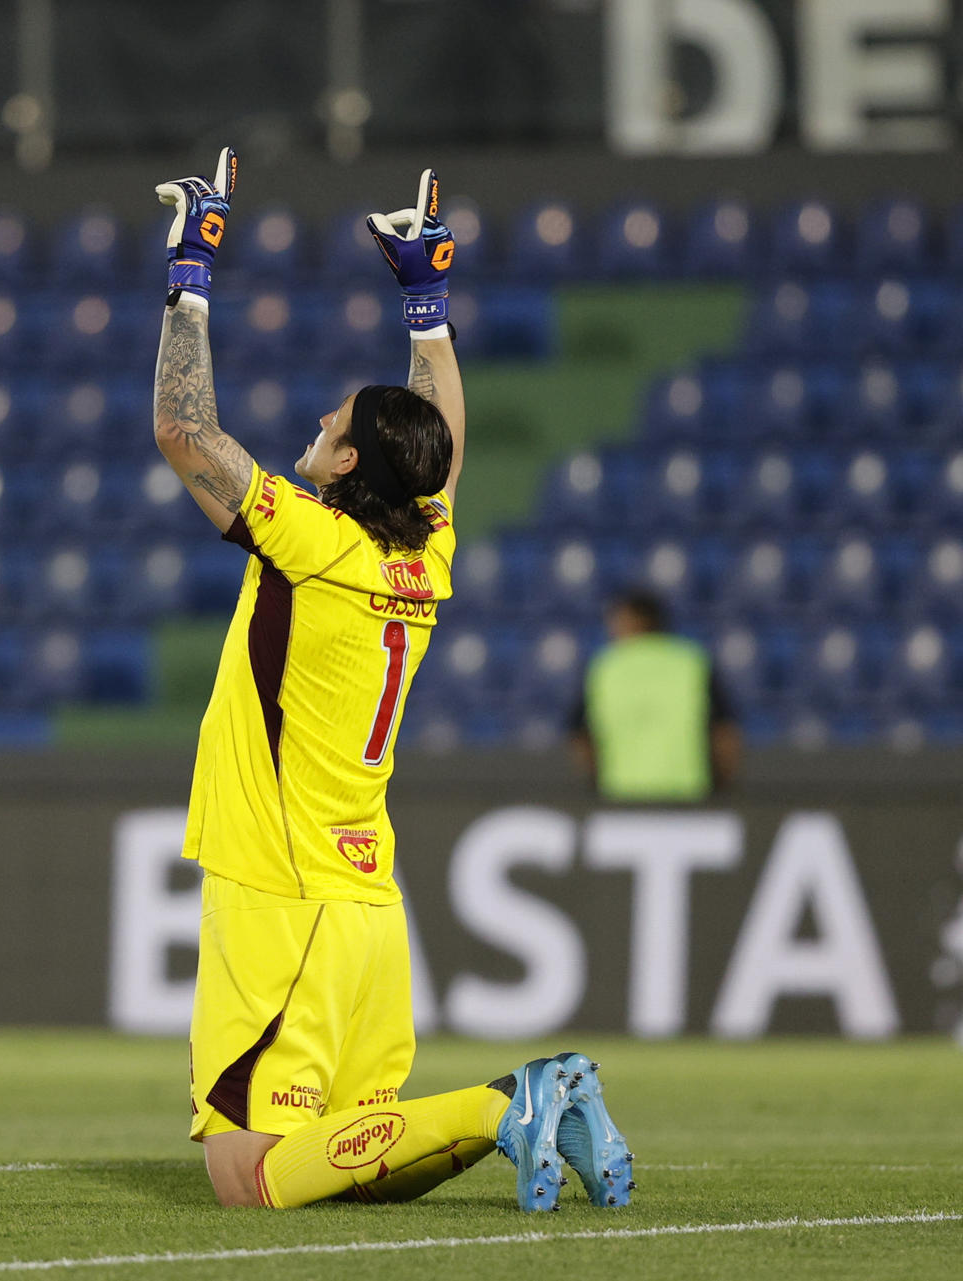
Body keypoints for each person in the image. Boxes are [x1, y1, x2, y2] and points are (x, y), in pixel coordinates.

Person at [151, 154, 632, 1211]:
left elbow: (186, 431)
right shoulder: (424, 558)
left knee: (251, 1178)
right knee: (350, 1159)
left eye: (330, 431)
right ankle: (523, 1104)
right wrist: (428, 302)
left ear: (348, 471)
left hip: (283, 892)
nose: (316, 432)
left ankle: (509, 1103)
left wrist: (192, 265)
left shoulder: (310, 543)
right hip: (365, 901)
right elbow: (439, 457)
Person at [570, 589, 741, 801]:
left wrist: (597, 782)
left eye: (617, 621)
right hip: (688, 794)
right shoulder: (692, 662)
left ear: (637, 621)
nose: (611, 628)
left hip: (621, 795)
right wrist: (719, 786)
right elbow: (724, 734)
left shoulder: (604, 667)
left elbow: (582, 740)